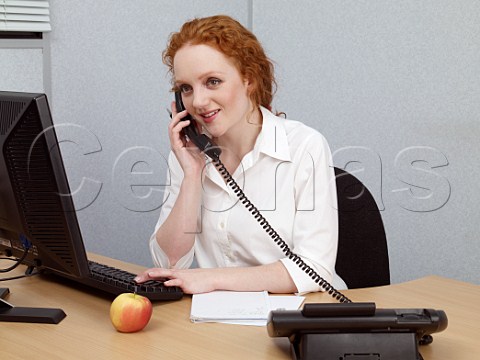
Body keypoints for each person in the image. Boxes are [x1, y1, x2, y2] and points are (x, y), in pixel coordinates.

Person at [135, 15, 346, 294]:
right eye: (185, 88)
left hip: (303, 315)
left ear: (249, 79)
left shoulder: (304, 146)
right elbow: (170, 262)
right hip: (219, 320)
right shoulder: (190, 153)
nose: (197, 101)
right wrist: (193, 174)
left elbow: (315, 269)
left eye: (212, 82)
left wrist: (211, 279)